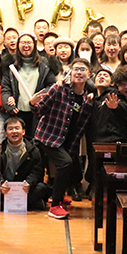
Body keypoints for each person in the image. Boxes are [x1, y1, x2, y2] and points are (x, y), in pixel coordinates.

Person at [30, 57, 95, 219]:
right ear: (70, 73)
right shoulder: (58, 89)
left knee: (68, 164)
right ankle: (55, 206)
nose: (79, 72)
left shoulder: (87, 100)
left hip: (66, 140)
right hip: (48, 136)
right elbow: (39, 111)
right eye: (76, 69)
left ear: (89, 74)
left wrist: (72, 149)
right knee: (65, 164)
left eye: (82, 69)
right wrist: (32, 103)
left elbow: (80, 129)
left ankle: (56, 194)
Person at [0, 33, 55, 134]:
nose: (26, 45)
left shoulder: (44, 64)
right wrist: (8, 101)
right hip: (17, 112)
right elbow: (5, 88)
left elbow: (51, 85)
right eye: (23, 42)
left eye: (29, 42)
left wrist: (40, 97)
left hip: (37, 113)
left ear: (34, 45)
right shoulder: (11, 64)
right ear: (18, 45)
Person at [0, 116, 51, 212]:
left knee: (42, 188)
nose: (14, 131)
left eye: (17, 128)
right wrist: (1, 184)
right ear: (5, 133)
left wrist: (29, 183)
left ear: (23, 131)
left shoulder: (33, 150)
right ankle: (31, 204)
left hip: (25, 189)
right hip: (6, 188)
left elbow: (36, 172)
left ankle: (7, 205)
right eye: (10, 129)